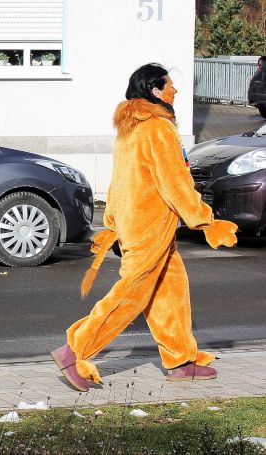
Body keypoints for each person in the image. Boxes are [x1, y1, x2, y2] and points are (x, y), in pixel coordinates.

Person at [50, 63, 238, 392]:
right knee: (131, 296)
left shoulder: (130, 127)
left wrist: (112, 222)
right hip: (150, 227)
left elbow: (120, 180)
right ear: (155, 91)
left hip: (139, 224)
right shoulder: (158, 128)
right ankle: (75, 349)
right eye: (169, 85)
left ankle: (181, 360)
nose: (175, 90)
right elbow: (175, 183)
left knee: (171, 289)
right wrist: (206, 220)